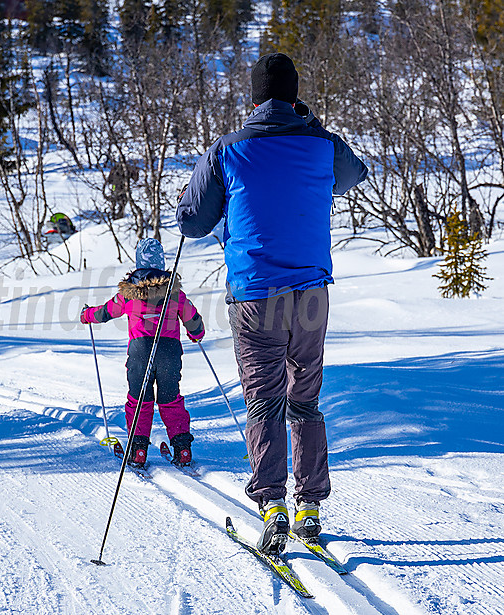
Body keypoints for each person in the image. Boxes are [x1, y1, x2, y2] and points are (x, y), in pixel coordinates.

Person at [176, 53, 368, 554]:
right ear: (295, 94)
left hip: (255, 295)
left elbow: (192, 222)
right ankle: (310, 506)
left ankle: (273, 505)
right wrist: (313, 126)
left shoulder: (228, 150)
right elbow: (353, 174)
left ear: (253, 97)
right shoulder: (322, 145)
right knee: (305, 398)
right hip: (310, 294)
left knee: (264, 401)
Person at [80, 238, 205, 468]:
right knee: (170, 399)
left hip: (140, 351)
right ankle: (183, 448)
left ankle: (138, 450)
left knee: (139, 400)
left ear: (138, 262)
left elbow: (106, 312)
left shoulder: (129, 293)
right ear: (162, 262)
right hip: (169, 351)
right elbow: (193, 320)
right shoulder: (174, 293)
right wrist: (196, 333)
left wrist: (87, 315)